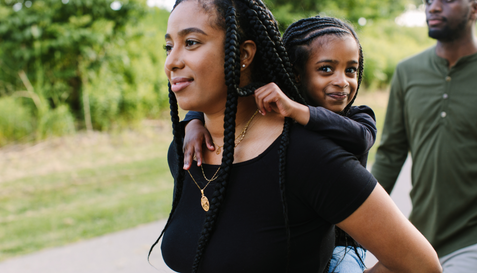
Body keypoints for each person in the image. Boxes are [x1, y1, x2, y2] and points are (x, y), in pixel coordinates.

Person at [149, 0, 442, 272]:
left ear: (244, 54)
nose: (171, 62)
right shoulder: (185, 149)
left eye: (191, 43)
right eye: (168, 46)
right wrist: (193, 120)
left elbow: (421, 265)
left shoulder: (307, 156)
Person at [181, 16, 376, 273]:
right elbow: (229, 100)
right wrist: (193, 121)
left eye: (351, 70)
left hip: (341, 248)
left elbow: (360, 138)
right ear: (295, 74)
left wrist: (298, 110)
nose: (342, 81)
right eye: (326, 69)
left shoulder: (358, 116)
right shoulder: (277, 115)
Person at [371, 0, 477, 271]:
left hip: (470, 239)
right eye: (429, 1)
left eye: (447, 0)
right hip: (419, 235)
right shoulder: (408, 71)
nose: (433, 7)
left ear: (474, 8)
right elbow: (391, 152)